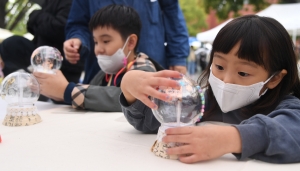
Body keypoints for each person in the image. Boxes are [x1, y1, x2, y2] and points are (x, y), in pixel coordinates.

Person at [119, 15, 300, 163]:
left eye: (243, 73)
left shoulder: (286, 108)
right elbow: (150, 122)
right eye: (219, 67)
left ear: (274, 78)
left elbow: (294, 131)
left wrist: (231, 138)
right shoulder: (200, 101)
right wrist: (130, 88)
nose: (226, 80)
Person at [33, 4, 163, 112]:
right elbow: (90, 93)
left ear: (130, 42)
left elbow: (126, 97)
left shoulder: (144, 69)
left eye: (105, 41)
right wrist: (55, 91)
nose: (98, 49)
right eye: (95, 42)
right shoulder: (105, 74)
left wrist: (67, 91)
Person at [63, 0, 189, 84]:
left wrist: (177, 57)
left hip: (151, 62)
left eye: (106, 40)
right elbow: (78, 23)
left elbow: (173, 16)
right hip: (102, 71)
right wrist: (77, 39)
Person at [0, 0, 84, 83]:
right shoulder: (49, 3)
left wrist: (35, 15)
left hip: (60, 64)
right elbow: (37, 29)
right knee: (12, 44)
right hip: (38, 53)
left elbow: (59, 28)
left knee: (11, 45)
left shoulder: (72, 3)